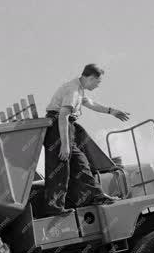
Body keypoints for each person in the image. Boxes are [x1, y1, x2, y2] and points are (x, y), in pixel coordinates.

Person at [44, 64, 130, 216]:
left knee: (81, 162)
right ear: (90, 78)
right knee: (59, 169)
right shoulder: (73, 90)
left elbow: (91, 103)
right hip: (58, 128)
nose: (98, 86)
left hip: (65, 128)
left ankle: (96, 196)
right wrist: (64, 145)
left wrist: (112, 111)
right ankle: (54, 209)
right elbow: (63, 115)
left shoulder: (79, 89)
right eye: (98, 82)